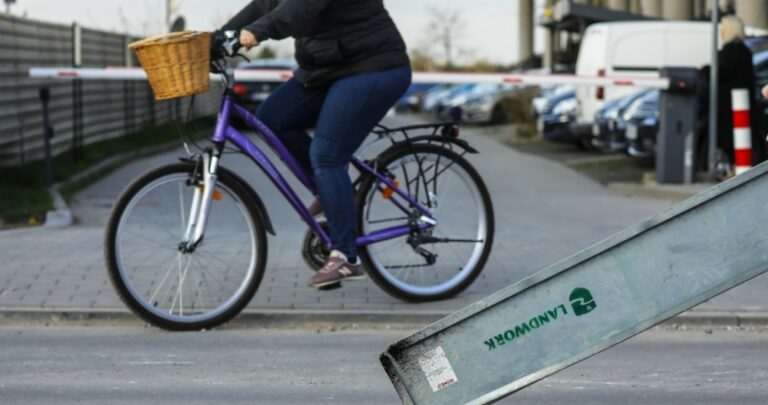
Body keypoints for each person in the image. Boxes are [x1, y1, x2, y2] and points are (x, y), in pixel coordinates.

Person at [217, 0, 412, 288]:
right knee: (271, 118)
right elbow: (264, 5)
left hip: (373, 68)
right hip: (325, 70)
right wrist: (216, 38)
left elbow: (300, 6)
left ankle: (346, 256)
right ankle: (332, 190)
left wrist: (255, 32)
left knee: (327, 155)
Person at [715, 15, 765, 170]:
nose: (721, 31)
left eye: (723, 28)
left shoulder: (730, 52)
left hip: (731, 108)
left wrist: (705, 71)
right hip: (741, 105)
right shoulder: (745, 51)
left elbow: (722, 73)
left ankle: (736, 169)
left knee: (732, 142)